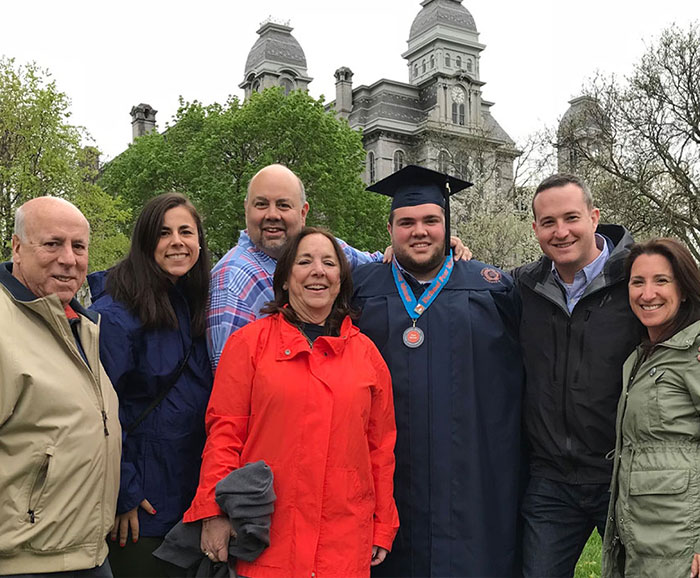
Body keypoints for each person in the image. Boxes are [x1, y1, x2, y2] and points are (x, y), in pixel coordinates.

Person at [184, 227, 399, 578]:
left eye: (329, 263)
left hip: (343, 546)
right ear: (284, 278)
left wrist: (384, 524)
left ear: (341, 281)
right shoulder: (248, 346)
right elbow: (224, 434)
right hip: (267, 541)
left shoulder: (367, 357)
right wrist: (214, 511)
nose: (318, 270)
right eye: (305, 261)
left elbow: (380, 450)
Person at [352, 165, 523, 577]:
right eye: (406, 222)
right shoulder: (359, 289)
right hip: (387, 478)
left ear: (448, 225)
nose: (420, 231)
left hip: (473, 481)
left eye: (431, 220)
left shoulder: (493, 288)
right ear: (390, 228)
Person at [206, 163, 470, 370]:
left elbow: (378, 262)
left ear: (303, 212)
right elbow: (230, 383)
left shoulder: (326, 249)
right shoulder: (232, 278)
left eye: (283, 205)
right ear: (246, 209)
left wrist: (428, 245)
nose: (272, 214)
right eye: (261, 204)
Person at [514, 174, 644, 577]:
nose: (561, 231)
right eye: (548, 222)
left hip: (623, 472)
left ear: (594, 216)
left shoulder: (637, 281)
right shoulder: (523, 288)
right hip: (552, 479)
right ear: (535, 228)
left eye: (571, 218)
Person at [87, 193, 213, 577]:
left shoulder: (191, 300)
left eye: (186, 232)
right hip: (142, 510)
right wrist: (124, 493)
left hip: (185, 498)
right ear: (145, 242)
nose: (177, 241)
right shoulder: (116, 313)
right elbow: (98, 410)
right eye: (163, 233)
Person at [0, 197, 120, 576]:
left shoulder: (81, 326)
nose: (68, 259)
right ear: (17, 248)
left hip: (88, 554)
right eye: (52, 244)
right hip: (25, 563)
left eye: (79, 246)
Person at [601, 238, 700, 577]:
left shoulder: (695, 352)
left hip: (681, 542)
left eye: (662, 281)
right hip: (642, 540)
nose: (647, 294)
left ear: (684, 289)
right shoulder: (643, 354)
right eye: (637, 282)